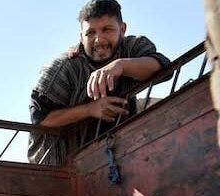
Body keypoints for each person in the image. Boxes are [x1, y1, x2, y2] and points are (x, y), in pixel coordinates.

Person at [28, 0, 171, 164]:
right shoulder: (63, 69)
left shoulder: (131, 48)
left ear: (122, 29)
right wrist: (90, 109)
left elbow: (163, 68)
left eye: (107, 30)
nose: (99, 40)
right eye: (90, 33)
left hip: (119, 156)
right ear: (81, 36)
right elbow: (41, 118)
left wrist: (121, 65)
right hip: (59, 169)